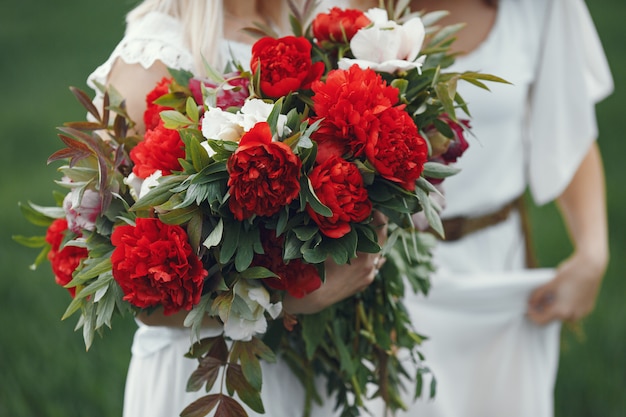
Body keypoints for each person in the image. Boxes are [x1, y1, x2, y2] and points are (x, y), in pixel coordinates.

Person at [86, 1, 385, 416]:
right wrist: (290, 302)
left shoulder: (315, 26)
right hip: (204, 371)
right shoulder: (154, 57)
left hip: (316, 367)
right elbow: (142, 296)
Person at [347, 0, 612, 416]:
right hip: (373, 278)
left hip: (497, 277)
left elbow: (569, 130)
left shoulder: (540, 9)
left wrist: (593, 253)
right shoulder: (333, 10)